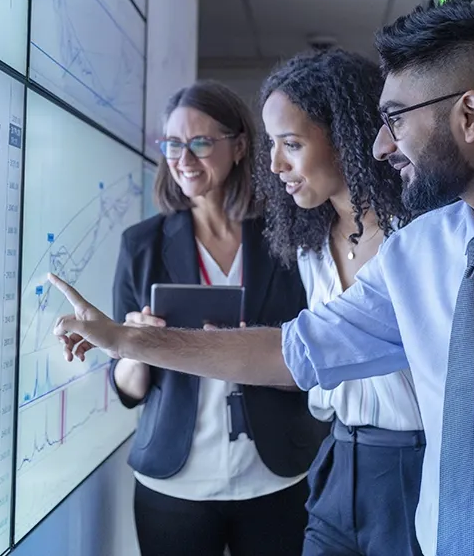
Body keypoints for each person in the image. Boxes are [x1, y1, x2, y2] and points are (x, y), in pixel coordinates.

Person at [48, 0, 474, 556]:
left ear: (471, 114)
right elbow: (296, 349)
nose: (378, 145)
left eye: (396, 118)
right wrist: (128, 340)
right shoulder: (419, 253)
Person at [108, 80, 323, 556]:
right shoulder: (140, 246)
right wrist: (138, 345)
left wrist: (258, 352)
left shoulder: (285, 239)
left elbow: (314, 359)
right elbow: (125, 389)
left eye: (201, 143)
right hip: (175, 483)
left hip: (274, 475)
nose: (183, 158)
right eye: (172, 144)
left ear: (240, 146)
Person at [255, 48, 425, 555]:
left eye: (291, 143)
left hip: (415, 464)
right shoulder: (312, 244)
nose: (275, 164)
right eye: (271, 144)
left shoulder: (417, 236)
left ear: (346, 136)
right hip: (338, 457)